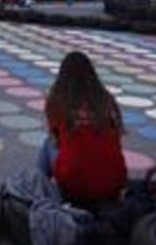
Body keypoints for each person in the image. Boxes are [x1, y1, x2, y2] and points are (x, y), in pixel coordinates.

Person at [38, 51, 126, 206]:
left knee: (49, 142)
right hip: (115, 184)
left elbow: (56, 137)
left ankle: (40, 191)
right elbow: (116, 136)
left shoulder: (58, 100)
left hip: (73, 187)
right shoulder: (106, 99)